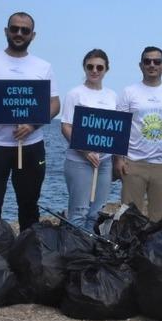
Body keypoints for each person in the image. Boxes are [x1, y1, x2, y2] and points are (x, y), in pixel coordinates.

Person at [0, 12, 60, 231]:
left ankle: (29, 249)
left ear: (33, 35)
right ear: (6, 31)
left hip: (31, 147)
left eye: (25, 30)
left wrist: (33, 124)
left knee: (29, 206)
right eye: (14, 29)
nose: (19, 33)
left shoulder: (43, 66)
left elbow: (55, 104)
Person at [114, 46, 162, 222]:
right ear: (141, 65)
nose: (152, 65)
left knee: (159, 221)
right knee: (129, 219)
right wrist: (118, 159)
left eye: (157, 61)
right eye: (147, 61)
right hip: (133, 163)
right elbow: (120, 128)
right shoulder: (128, 92)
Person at [60, 49, 117, 230]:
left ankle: (89, 246)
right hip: (79, 161)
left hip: (104, 162)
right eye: (90, 66)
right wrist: (85, 152)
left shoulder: (112, 96)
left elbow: (116, 129)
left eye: (99, 67)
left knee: (96, 213)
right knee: (79, 212)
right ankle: (75, 245)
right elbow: (66, 126)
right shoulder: (75, 94)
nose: (94, 70)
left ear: (106, 69)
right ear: (84, 67)